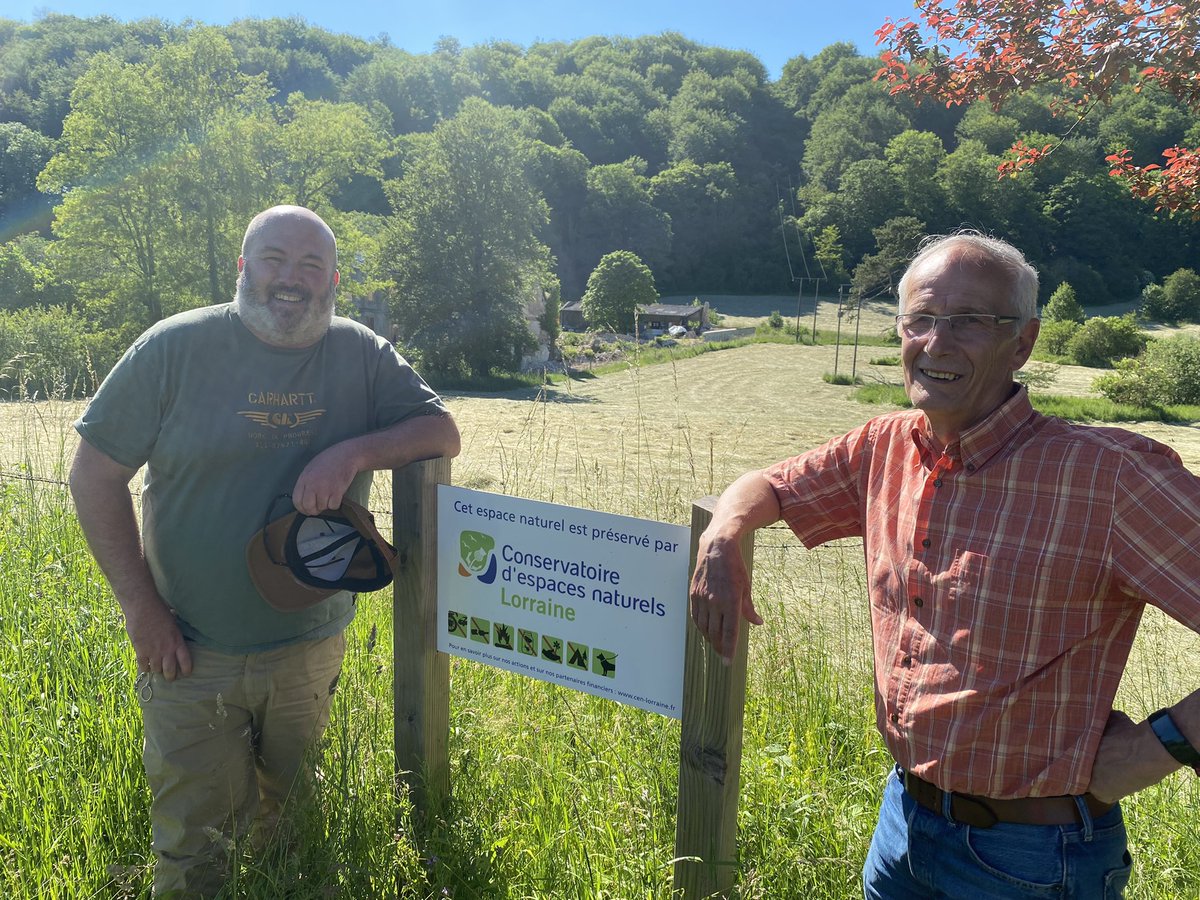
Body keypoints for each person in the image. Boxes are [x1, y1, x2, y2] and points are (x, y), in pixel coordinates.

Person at [688, 231, 1200, 898]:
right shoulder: (885, 447)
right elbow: (774, 486)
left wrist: (1152, 750)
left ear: (1023, 342)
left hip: (1033, 858)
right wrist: (723, 534)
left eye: (970, 322)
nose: (937, 342)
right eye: (921, 319)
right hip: (903, 827)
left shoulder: (1108, 478)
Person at [69, 205, 461, 896]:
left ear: (334, 279)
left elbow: (441, 432)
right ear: (243, 267)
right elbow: (93, 474)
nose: (293, 279)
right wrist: (139, 607)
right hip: (189, 652)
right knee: (195, 853)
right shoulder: (173, 348)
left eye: (312, 265)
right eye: (275, 259)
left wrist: (353, 451)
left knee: (296, 837)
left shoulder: (361, 354)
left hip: (309, 650)